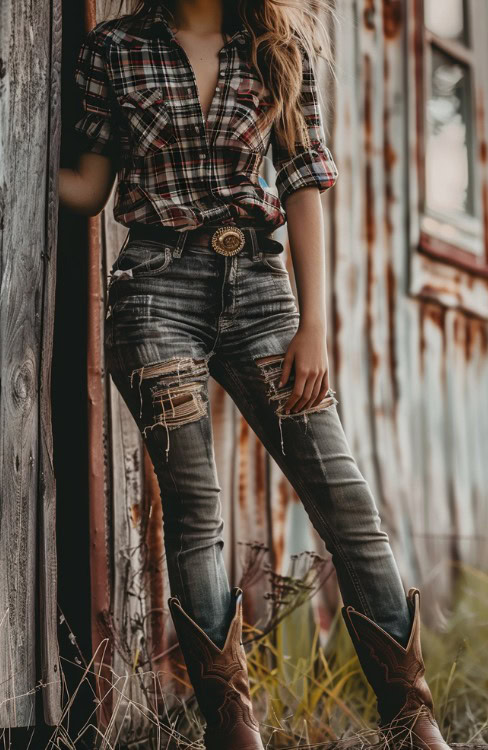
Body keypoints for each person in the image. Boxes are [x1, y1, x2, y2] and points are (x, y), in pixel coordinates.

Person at [59, 1, 452, 748]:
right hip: (155, 290)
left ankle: (413, 722)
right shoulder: (115, 47)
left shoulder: (279, 43)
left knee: (345, 501)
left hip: (263, 296)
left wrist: (315, 324)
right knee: (197, 511)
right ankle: (232, 728)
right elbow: (89, 188)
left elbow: (303, 180)